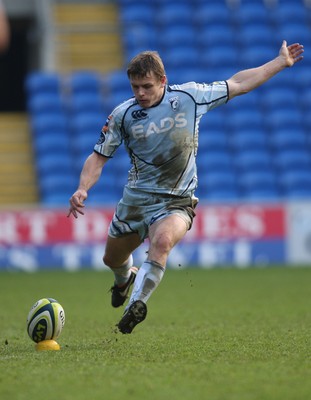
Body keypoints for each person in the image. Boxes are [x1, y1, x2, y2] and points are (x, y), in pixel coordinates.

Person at [68, 40, 303, 334]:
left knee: (162, 242)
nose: (140, 93)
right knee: (111, 258)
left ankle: (136, 305)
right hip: (137, 200)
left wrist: (279, 62)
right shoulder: (123, 115)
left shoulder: (189, 97)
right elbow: (98, 157)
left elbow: (238, 83)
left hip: (177, 200)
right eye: (135, 87)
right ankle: (124, 279)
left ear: (163, 82)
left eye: (147, 86)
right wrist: (82, 188)